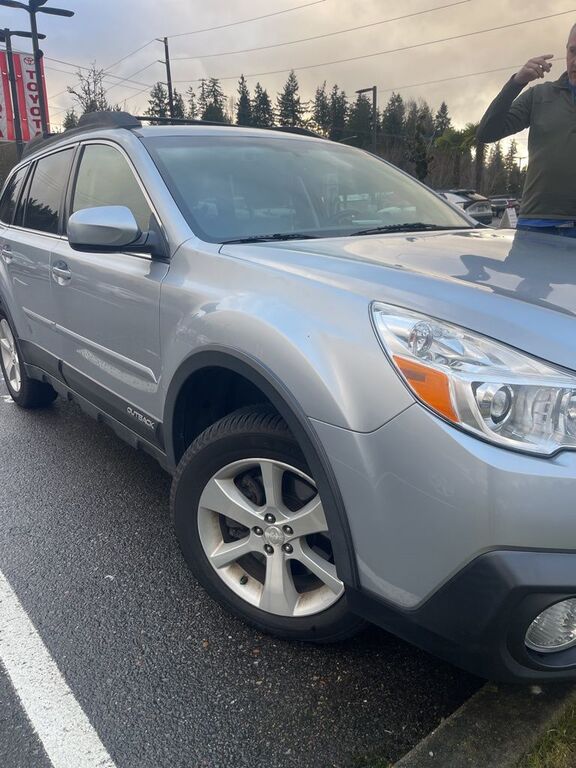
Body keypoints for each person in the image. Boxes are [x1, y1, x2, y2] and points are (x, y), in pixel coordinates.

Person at [477, 24, 576, 237]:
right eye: (573, 51)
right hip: (538, 224)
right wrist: (517, 82)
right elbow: (486, 133)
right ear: (566, 50)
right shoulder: (539, 96)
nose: (575, 60)